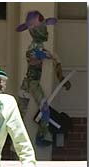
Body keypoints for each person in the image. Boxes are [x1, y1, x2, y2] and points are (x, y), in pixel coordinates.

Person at [16, 10, 72, 147]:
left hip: (29, 83)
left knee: (20, 113)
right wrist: (45, 56)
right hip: (31, 83)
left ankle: (15, 140)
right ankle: (39, 137)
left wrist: (61, 77)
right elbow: (32, 55)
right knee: (34, 111)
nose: (44, 31)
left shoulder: (40, 49)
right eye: (41, 27)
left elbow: (50, 59)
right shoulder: (34, 49)